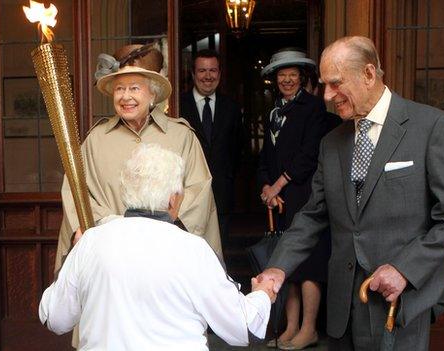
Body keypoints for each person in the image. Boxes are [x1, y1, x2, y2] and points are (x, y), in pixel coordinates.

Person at [257, 36, 444, 350]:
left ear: (369, 75)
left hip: (400, 305)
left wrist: (405, 270)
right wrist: (278, 268)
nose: (328, 96)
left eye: (335, 84)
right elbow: (312, 216)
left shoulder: (431, 127)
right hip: (343, 309)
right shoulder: (331, 143)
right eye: (324, 85)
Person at [55, 43, 222, 348]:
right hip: (111, 267)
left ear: (152, 93)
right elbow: (77, 193)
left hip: (165, 267)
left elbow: (199, 191)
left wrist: (159, 233)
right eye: (119, 89)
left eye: (134, 88)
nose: (126, 96)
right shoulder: (95, 141)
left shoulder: (181, 136)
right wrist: (112, 231)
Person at [40, 143, 276, 350]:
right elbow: (245, 328)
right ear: (174, 198)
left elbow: (54, 318)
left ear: (126, 193)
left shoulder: (91, 243)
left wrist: (74, 253)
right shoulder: (193, 250)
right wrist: (262, 294)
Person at [257, 48, 340, 350]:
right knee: (286, 266)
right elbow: (267, 155)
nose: (288, 80)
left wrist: (278, 185)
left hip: (306, 196)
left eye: (293, 75)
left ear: (302, 77)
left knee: (310, 265)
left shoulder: (315, 107)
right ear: (275, 79)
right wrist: (266, 187)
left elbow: (308, 156)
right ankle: (290, 327)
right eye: (282, 75)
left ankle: (309, 329)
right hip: (279, 201)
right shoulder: (273, 111)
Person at [180, 49, 244, 243]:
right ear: (193, 74)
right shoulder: (178, 105)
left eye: (213, 70)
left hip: (221, 193)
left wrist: (228, 176)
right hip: (186, 195)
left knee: (219, 250)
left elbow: (238, 148)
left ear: (219, 73)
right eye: (202, 71)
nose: (208, 76)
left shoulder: (231, 107)